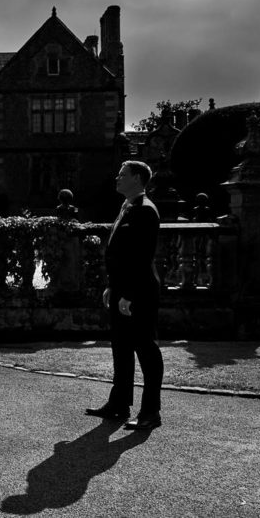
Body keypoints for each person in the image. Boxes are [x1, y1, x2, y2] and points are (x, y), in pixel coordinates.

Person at [85, 160, 164, 431]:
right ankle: (119, 404)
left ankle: (151, 412)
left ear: (138, 179)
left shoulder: (145, 210)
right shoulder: (127, 206)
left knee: (146, 350)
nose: (117, 178)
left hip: (138, 291)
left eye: (122, 175)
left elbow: (141, 258)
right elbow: (120, 255)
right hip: (122, 288)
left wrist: (128, 294)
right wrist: (112, 286)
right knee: (121, 348)